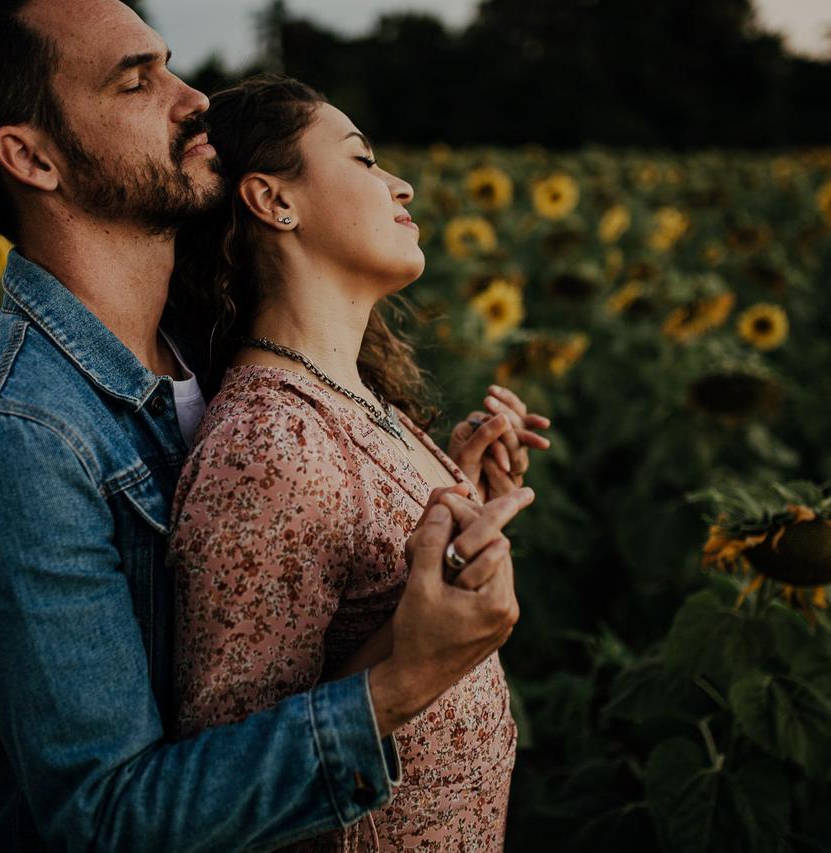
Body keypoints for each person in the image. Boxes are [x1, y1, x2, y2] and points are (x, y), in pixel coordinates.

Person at [0, 1, 543, 850]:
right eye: (137, 81)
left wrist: (432, 504)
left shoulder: (200, 350)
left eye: (169, 64)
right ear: (32, 157)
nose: (195, 97)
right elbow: (107, 823)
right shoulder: (19, 436)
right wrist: (403, 681)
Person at [166, 76, 546, 852]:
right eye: (364, 160)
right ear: (274, 202)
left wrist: (458, 495)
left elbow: (372, 599)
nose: (400, 182)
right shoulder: (266, 448)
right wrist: (409, 660)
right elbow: (232, 802)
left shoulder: (350, 401)